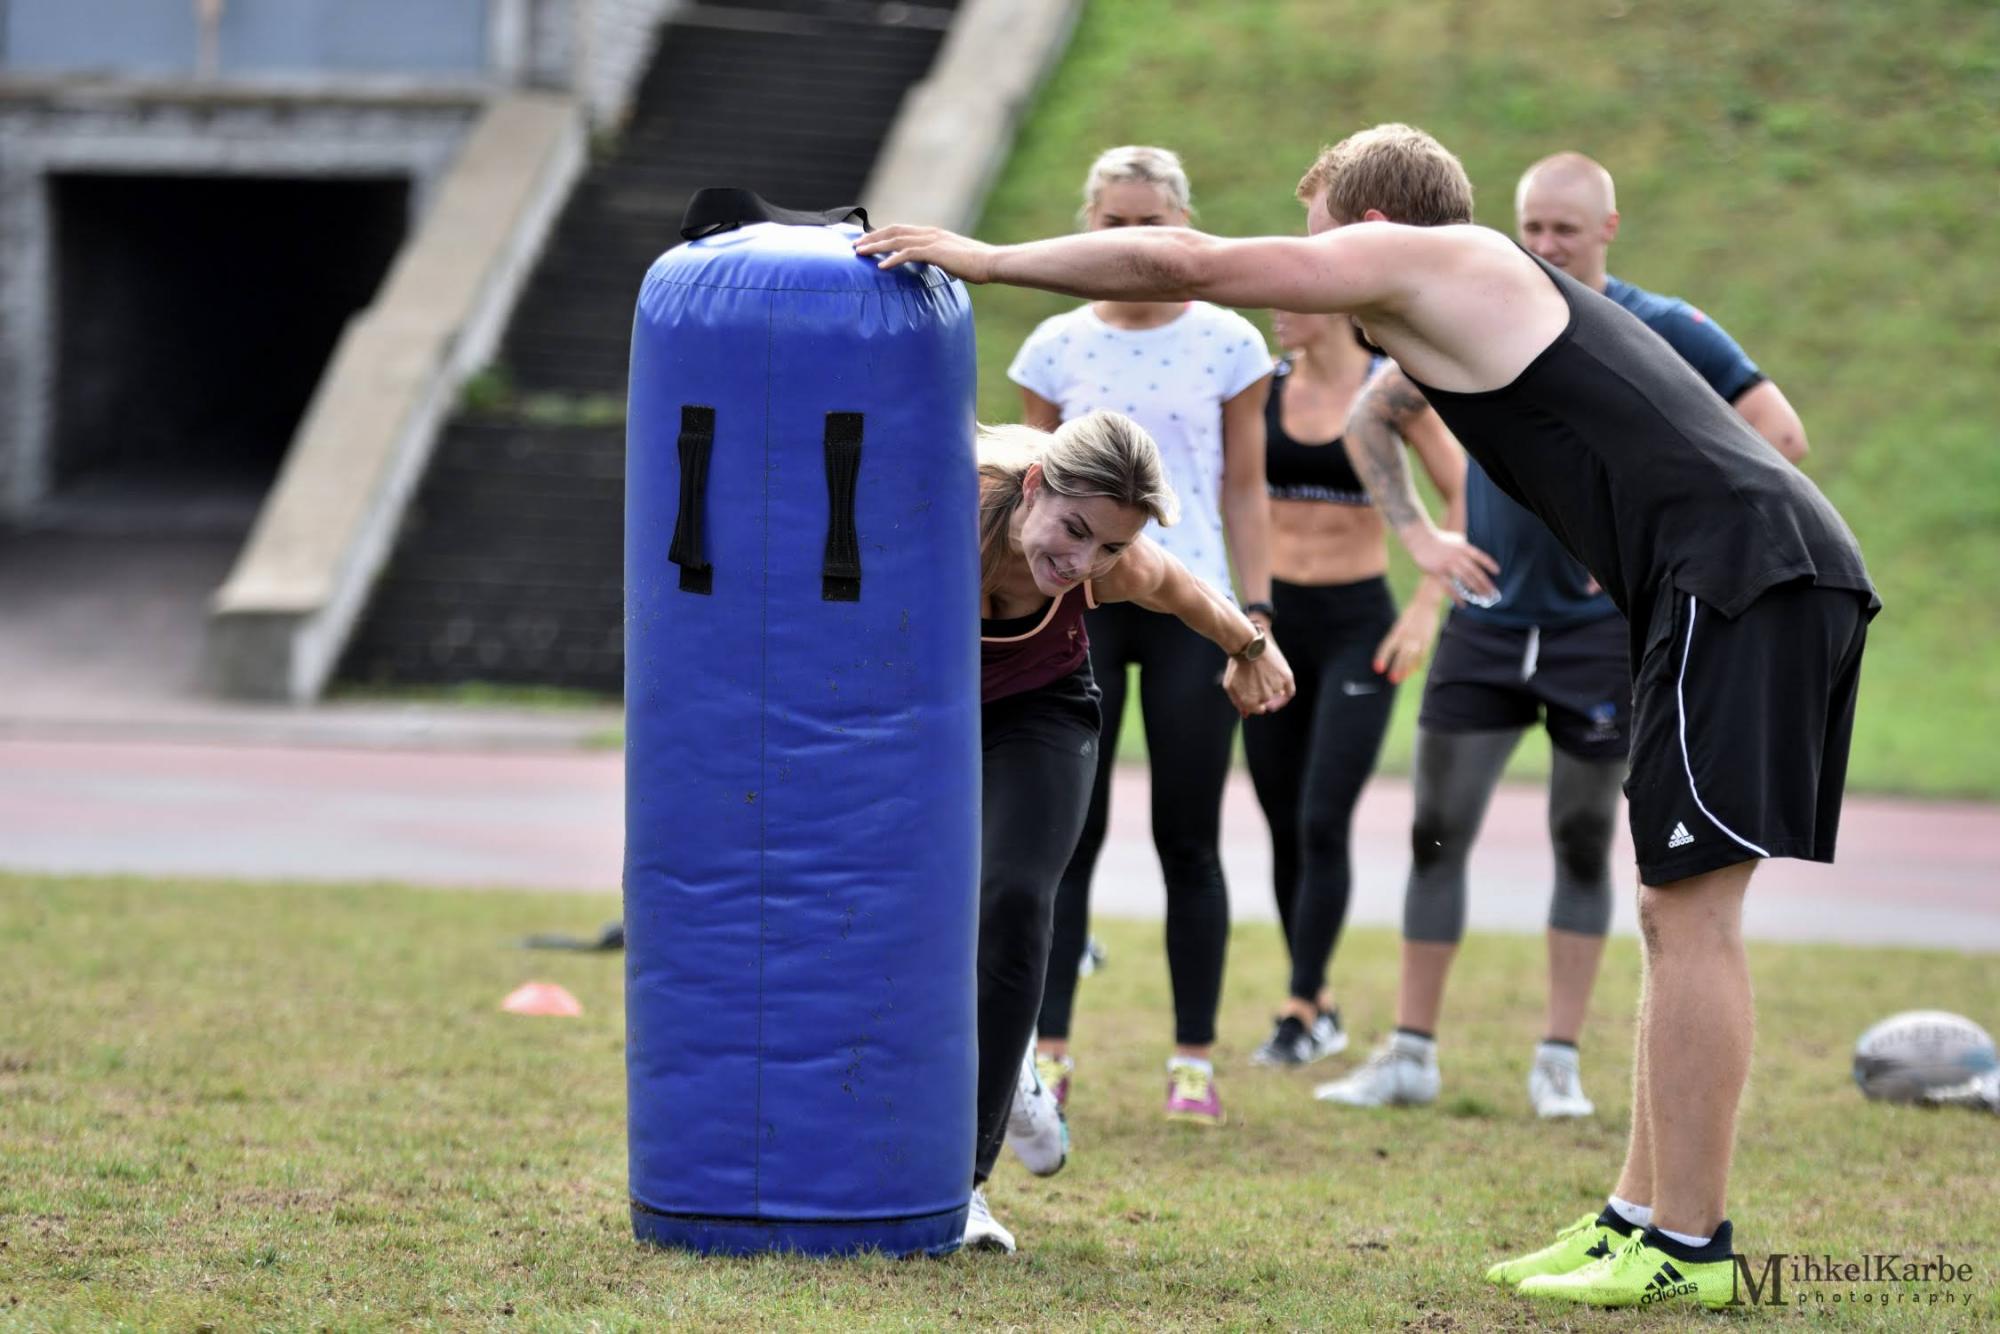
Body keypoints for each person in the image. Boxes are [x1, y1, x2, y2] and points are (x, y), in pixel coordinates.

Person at [857, 123, 1877, 1308]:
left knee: (1691, 909)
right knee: (1665, 907)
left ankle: (1686, 1245)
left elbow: (1184, 261)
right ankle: (1635, 1218)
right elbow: (1373, 416)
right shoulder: (1450, 315)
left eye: (1317, 239)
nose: (1307, 270)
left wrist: (982, 258)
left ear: (1373, 230)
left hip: (1744, 571)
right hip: (1703, 582)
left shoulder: (1445, 259)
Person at [1315, 151, 1813, 1120]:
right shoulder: (1483, 311)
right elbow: (1371, 415)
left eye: (1564, 231)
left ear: (1607, 231)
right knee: (1434, 831)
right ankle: (1409, 1052)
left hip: (1597, 632)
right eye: (1531, 228)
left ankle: (1557, 1061)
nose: (1544, 245)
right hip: (1486, 620)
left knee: (1584, 839)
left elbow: (1779, 437)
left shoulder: (1658, 326)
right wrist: (1419, 537)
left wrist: (1663, 543)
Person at [966, 411, 1293, 1253]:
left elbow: (1187, 592)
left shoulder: (1114, 567)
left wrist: (1250, 648)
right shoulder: (947, 509)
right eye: (1075, 530)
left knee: (1014, 898)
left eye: (1109, 546)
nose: (1082, 562)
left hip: (1041, 712)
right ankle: (1013, 1071)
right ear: (1034, 486)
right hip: (926, 707)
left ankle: (965, 1185)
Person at [1009, 146, 1274, 1127]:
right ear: (1087, 224)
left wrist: (1255, 613)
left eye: (1149, 222)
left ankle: (1192, 1058)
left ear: (1182, 225)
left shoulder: (1229, 340)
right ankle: (1046, 1052)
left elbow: (1243, 486)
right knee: (1064, 833)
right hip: (1076, 606)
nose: (1129, 240)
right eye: (1113, 222)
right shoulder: (1052, 343)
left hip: (1188, 606)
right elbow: (1030, 488)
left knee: (1187, 835)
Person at [1241, 311, 1466, 1068]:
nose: (1276, 308)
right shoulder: (1260, 388)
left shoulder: (1390, 391)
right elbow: (1229, 491)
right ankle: (1319, 1000)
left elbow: (1463, 492)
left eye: (1292, 294)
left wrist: (1426, 605)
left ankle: (1300, 1006)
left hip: (1357, 631)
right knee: (1282, 820)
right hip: (1273, 626)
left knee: (1321, 818)